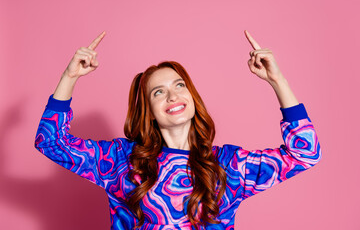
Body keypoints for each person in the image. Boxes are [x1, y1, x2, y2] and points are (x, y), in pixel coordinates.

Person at [34, 30, 322, 230]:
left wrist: (277, 80)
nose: (172, 96)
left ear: (191, 97)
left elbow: (305, 154)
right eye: (158, 92)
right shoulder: (121, 161)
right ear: (148, 110)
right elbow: (50, 142)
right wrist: (69, 77)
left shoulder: (227, 166)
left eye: (179, 86)